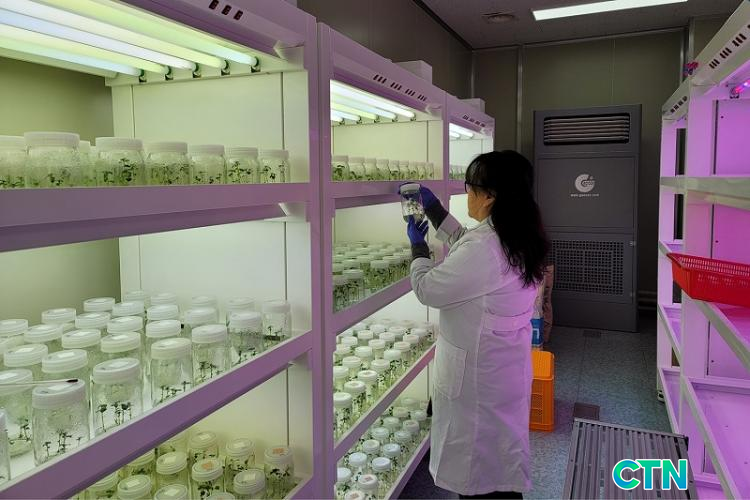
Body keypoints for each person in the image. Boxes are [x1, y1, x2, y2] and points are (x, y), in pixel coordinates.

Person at [405, 151, 549, 499]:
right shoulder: (517, 232)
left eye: (470, 187)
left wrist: (418, 250)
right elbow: (466, 244)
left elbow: (428, 289)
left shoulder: (485, 247)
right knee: (500, 467)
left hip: (479, 381)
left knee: (479, 475)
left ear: (490, 196)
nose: (467, 193)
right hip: (504, 370)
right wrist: (435, 211)